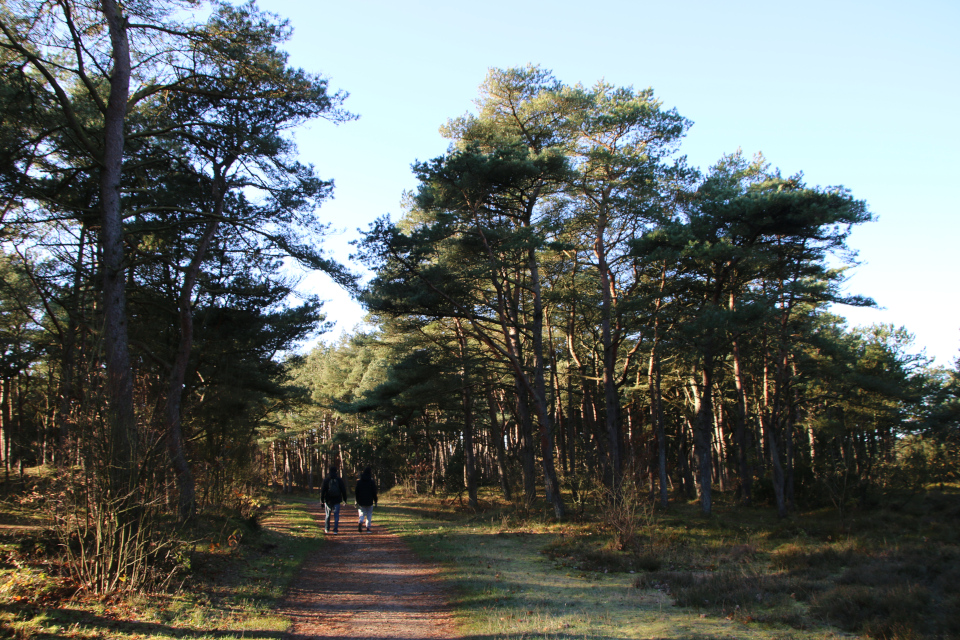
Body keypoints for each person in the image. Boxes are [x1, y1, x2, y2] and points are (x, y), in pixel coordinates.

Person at [320, 465, 348, 534]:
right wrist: (344, 499)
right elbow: (343, 490)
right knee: (336, 515)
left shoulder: (326, 480)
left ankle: (327, 529)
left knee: (327, 515)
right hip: (337, 500)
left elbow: (322, 491)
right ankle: (335, 530)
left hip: (328, 500)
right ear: (336, 471)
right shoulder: (339, 480)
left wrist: (322, 500)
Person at [354, 466, 378, 533]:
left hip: (361, 501)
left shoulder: (359, 482)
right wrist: (375, 501)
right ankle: (368, 528)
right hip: (369, 501)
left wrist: (356, 500)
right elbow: (374, 492)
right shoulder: (371, 482)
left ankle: (360, 521)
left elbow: (356, 492)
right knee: (369, 514)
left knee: (362, 513)